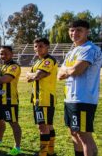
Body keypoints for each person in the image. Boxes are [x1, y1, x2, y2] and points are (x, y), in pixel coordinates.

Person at [58, 20, 102, 156]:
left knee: (84, 135)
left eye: (79, 30)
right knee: (74, 132)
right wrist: (67, 70)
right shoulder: (72, 52)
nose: (74, 33)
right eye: (72, 30)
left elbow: (76, 70)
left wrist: (68, 70)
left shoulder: (89, 49)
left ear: (87, 32)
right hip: (70, 98)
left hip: (83, 99)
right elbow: (59, 74)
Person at [0, 46, 22, 156]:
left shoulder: (14, 66)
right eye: (1, 53)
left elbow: (6, 79)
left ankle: (17, 147)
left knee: (13, 123)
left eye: (6, 53)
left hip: (9, 101)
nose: (3, 56)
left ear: (12, 54)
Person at [26, 38, 58, 156]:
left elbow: (37, 76)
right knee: (48, 125)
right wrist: (33, 75)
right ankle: (50, 152)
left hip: (44, 98)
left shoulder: (49, 60)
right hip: (38, 98)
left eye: (41, 46)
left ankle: (43, 153)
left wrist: (34, 75)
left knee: (43, 126)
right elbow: (30, 78)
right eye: (36, 46)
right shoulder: (37, 62)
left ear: (47, 47)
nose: (38, 49)